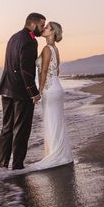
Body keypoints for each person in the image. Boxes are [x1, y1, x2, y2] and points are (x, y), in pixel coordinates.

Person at [0, 13, 46, 170]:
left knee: (7, 128)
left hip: (6, 88)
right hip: (21, 92)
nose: (42, 28)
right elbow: (26, 70)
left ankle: (2, 165)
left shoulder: (14, 37)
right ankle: (17, 166)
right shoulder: (30, 41)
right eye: (41, 25)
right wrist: (33, 92)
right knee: (21, 130)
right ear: (32, 25)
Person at [23, 21, 73, 172]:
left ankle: (55, 155)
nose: (43, 29)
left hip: (50, 90)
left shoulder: (46, 49)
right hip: (56, 87)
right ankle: (59, 154)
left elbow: (44, 72)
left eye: (46, 28)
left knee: (51, 123)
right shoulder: (55, 49)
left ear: (52, 32)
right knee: (56, 122)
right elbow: (56, 71)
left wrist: (38, 92)